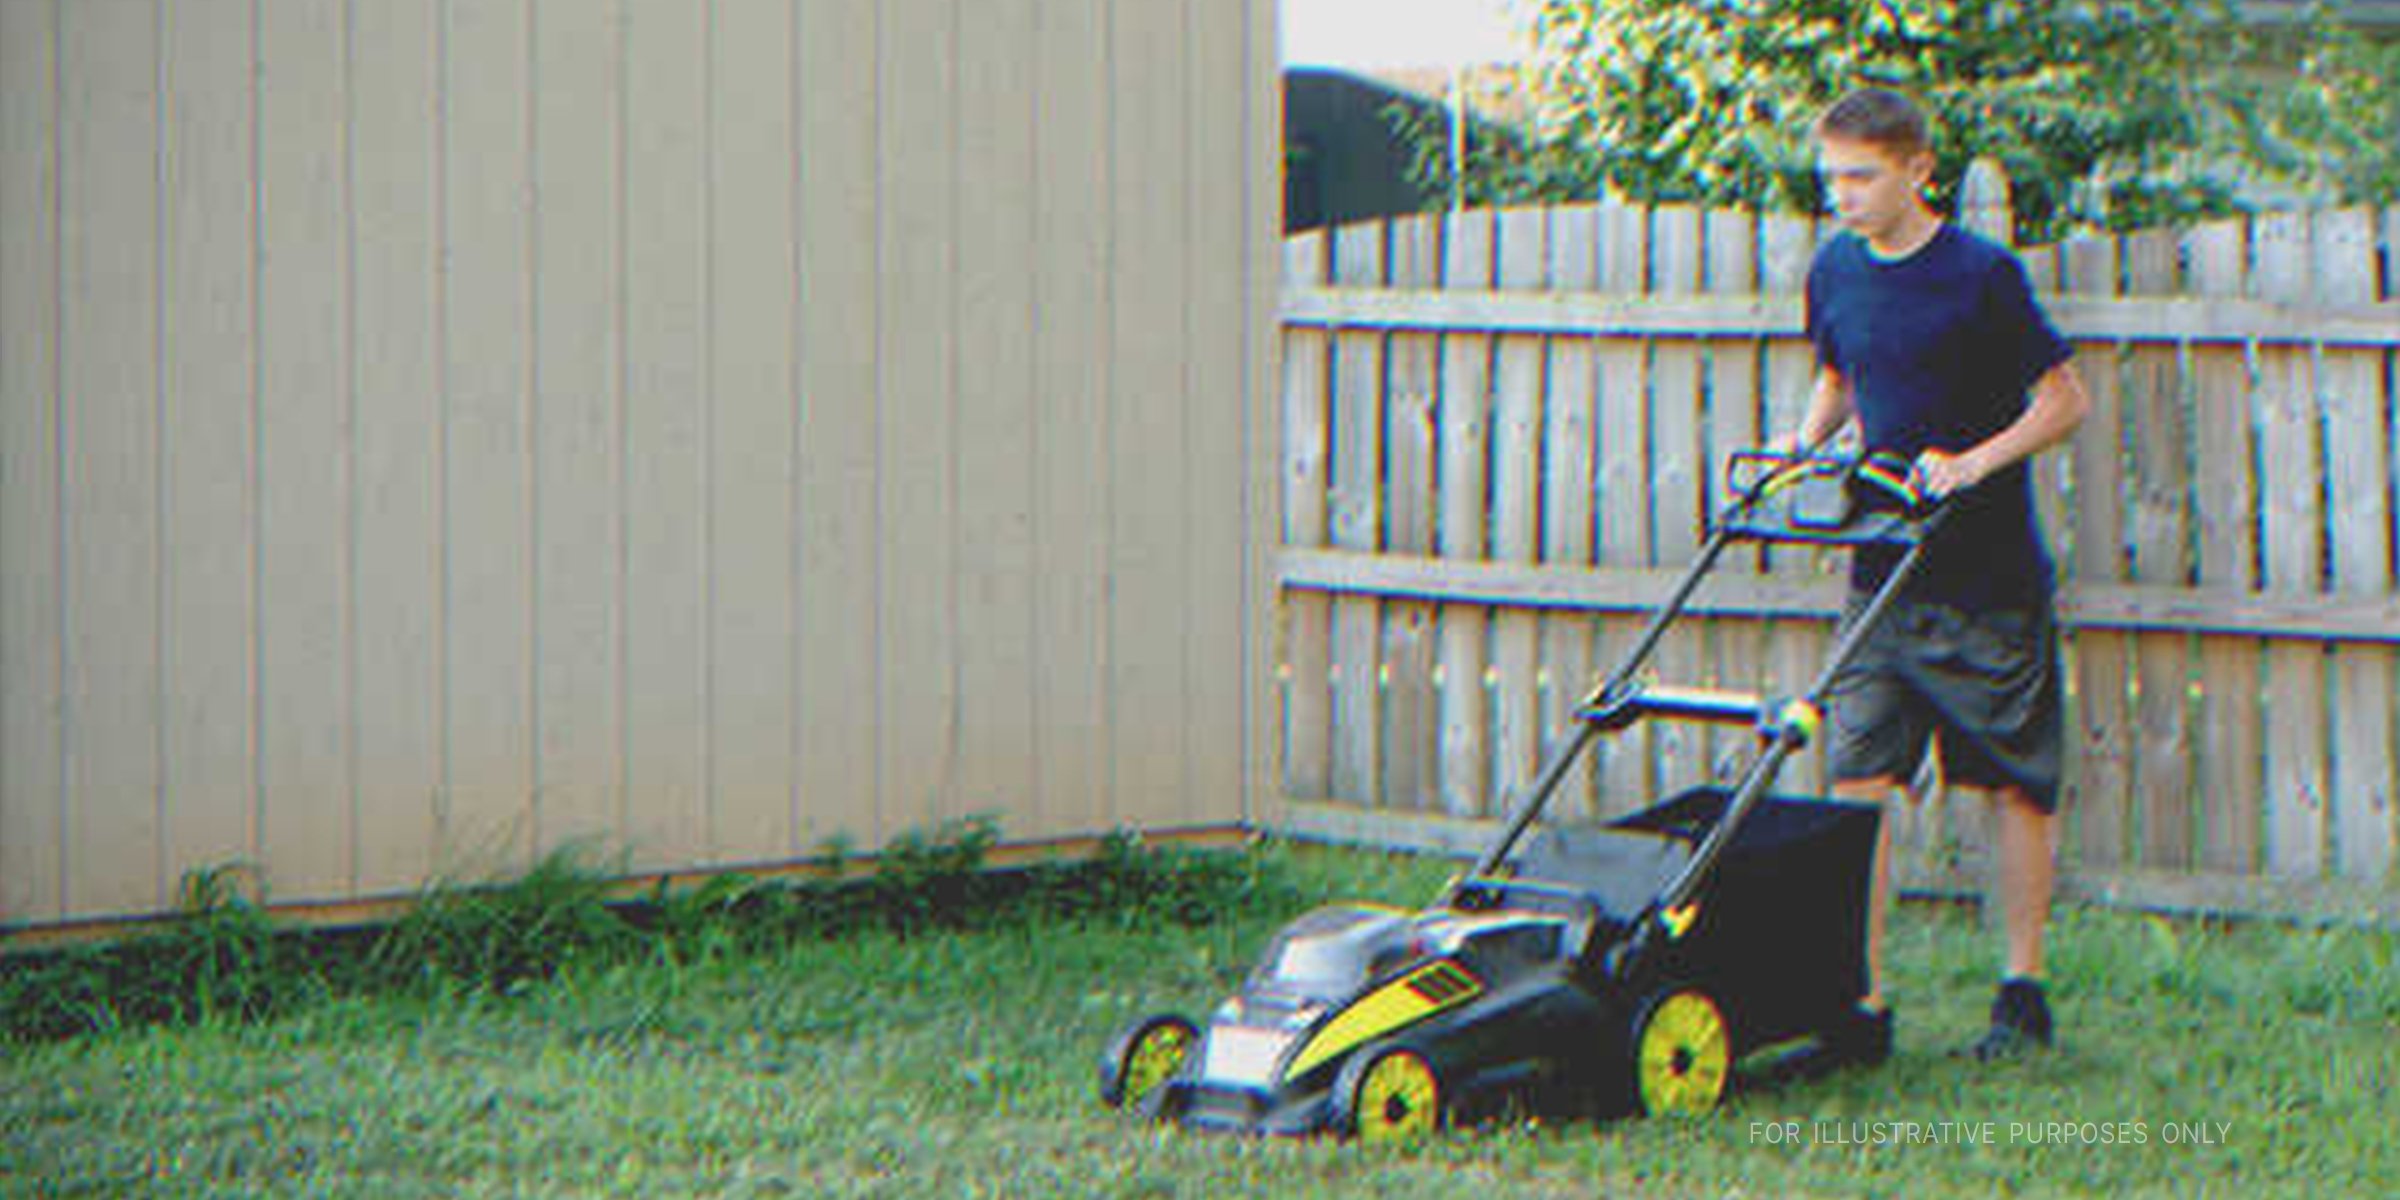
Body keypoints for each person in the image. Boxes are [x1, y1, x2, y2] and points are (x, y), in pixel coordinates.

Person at [1777, 88, 2091, 1070]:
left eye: (1862, 177)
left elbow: (2064, 400)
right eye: (1833, 178)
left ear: (1919, 171)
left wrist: (1973, 462)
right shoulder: (1834, 270)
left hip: (1987, 572)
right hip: (1882, 570)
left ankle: (2022, 992)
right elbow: (1839, 378)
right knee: (1859, 778)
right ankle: (1859, 1005)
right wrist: (1800, 441)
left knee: (2012, 787)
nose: (1844, 197)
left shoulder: (1981, 275)